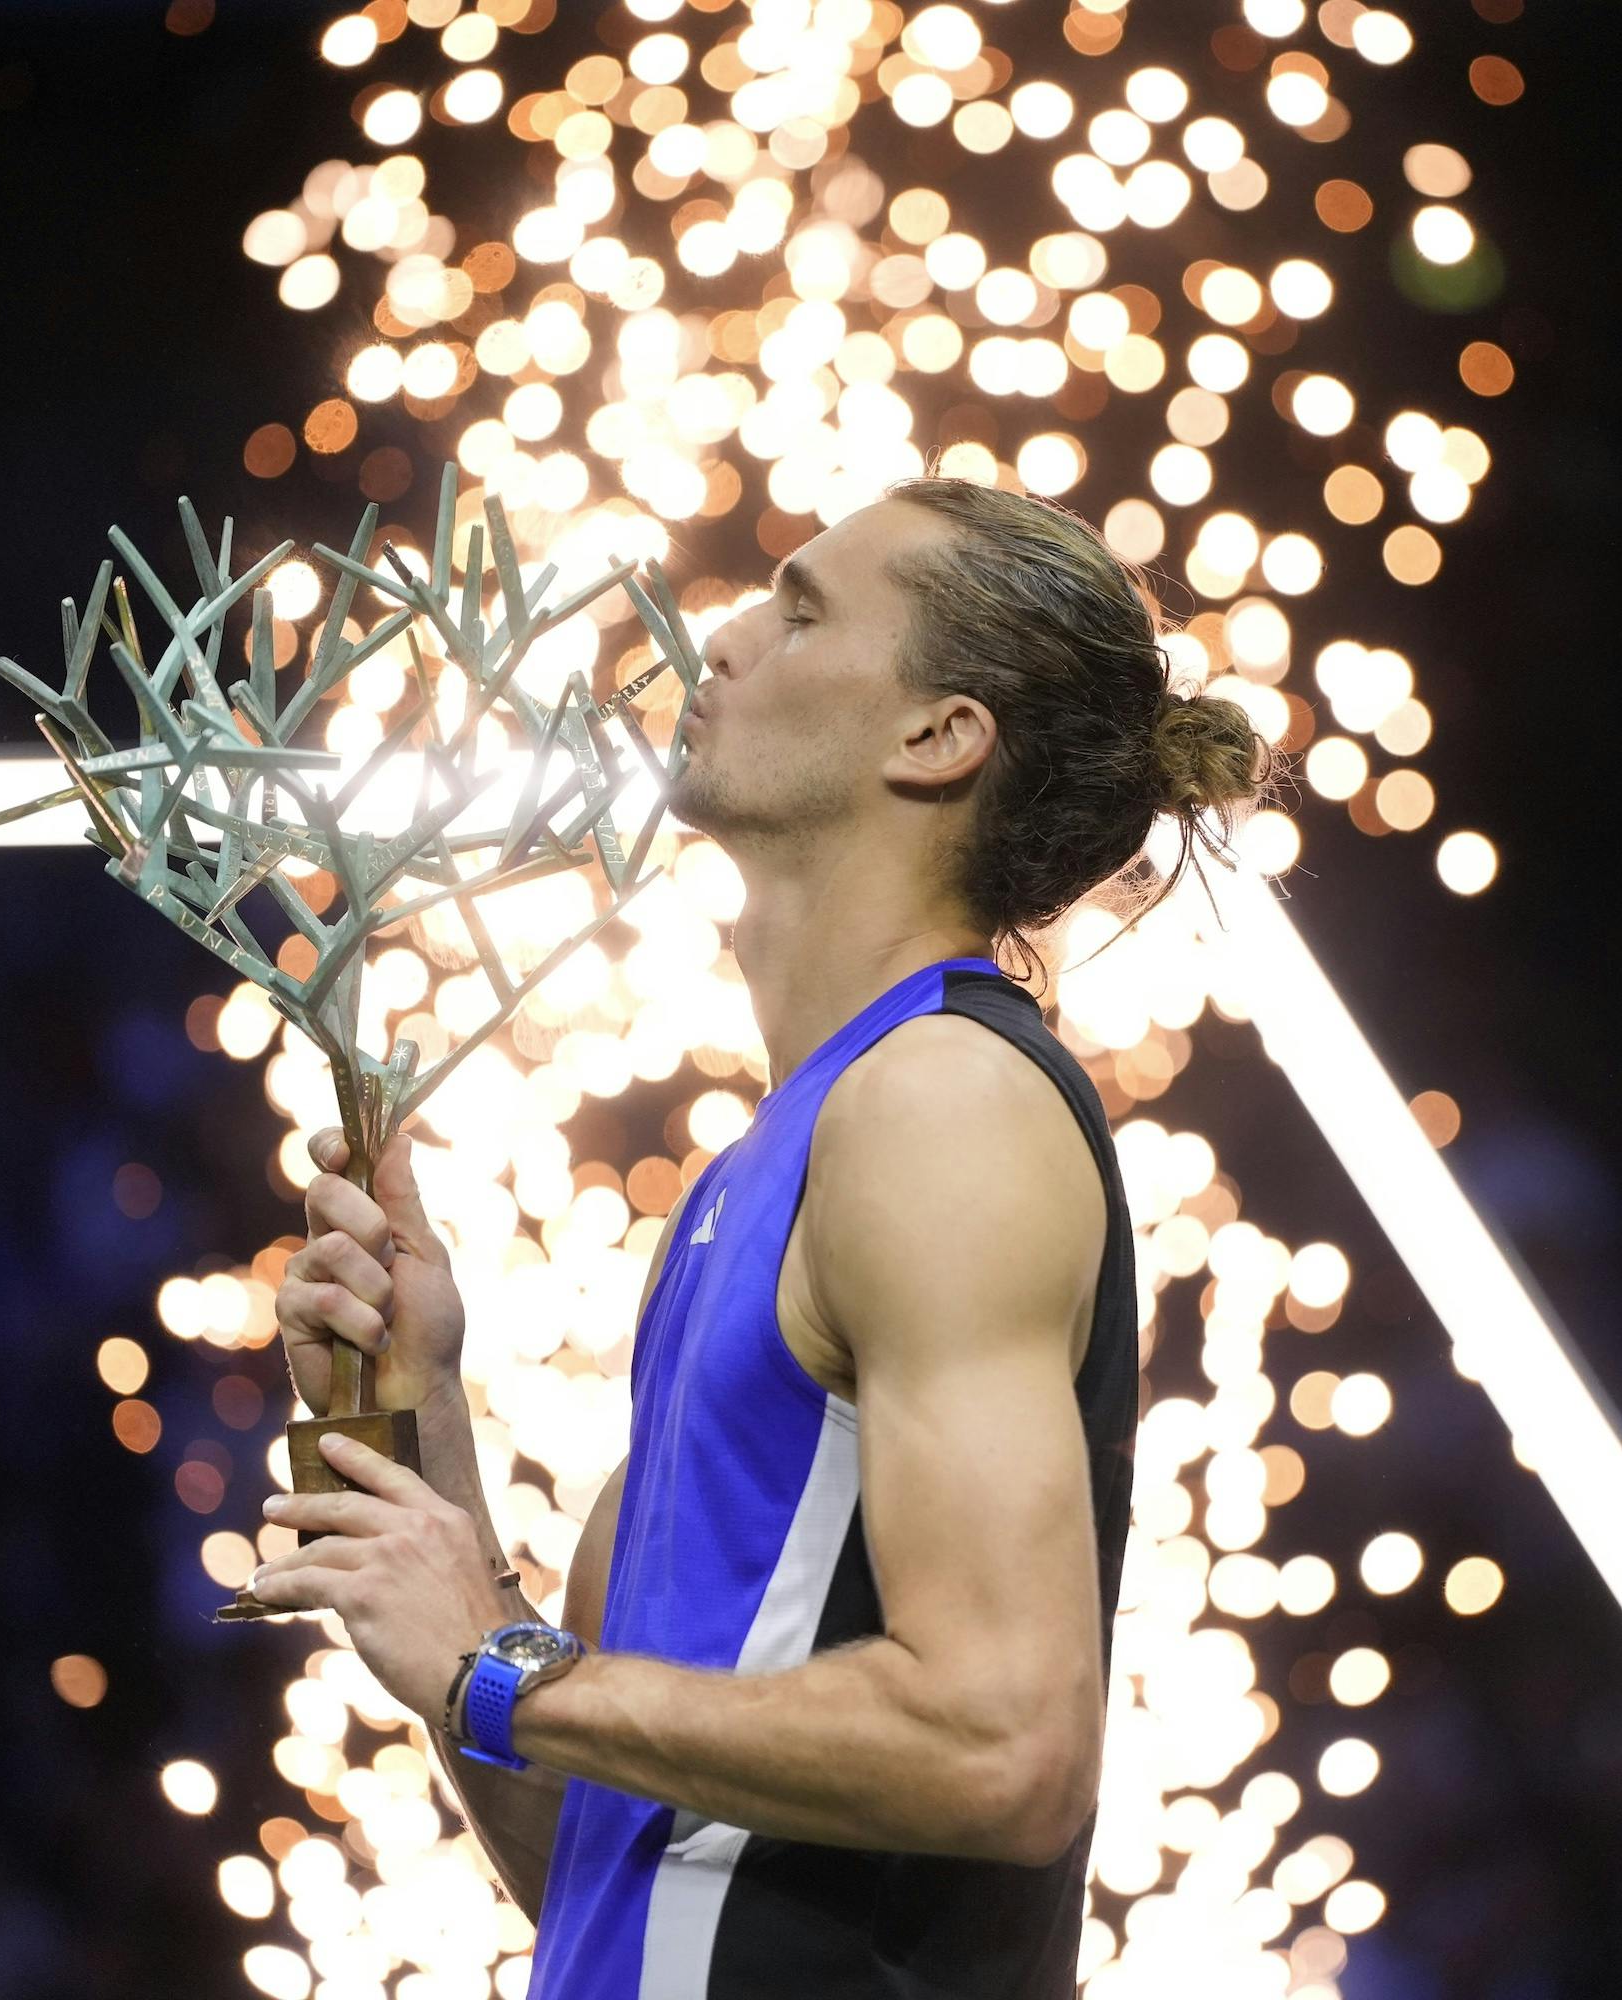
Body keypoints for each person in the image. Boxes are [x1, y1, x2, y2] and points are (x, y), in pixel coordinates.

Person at [243, 477, 1270, 1996]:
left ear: (938, 737)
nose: (718, 633)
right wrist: (428, 1429)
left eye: (800, 610)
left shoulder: (942, 1105)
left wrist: (502, 1669)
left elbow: (1007, 1744)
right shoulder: (765, 1168)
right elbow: (601, 1863)